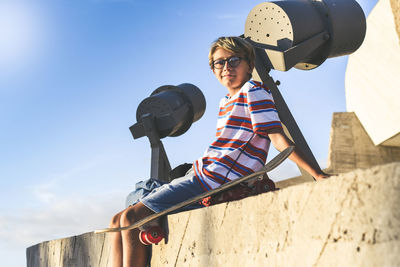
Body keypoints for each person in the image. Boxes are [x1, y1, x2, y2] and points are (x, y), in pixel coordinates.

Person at [108, 36, 330, 267]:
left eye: (233, 61)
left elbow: (277, 137)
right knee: (117, 220)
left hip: (212, 182)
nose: (226, 68)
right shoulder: (226, 101)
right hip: (200, 174)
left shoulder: (253, 91)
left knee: (130, 219)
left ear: (249, 66)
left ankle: (151, 220)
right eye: (219, 63)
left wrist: (317, 174)